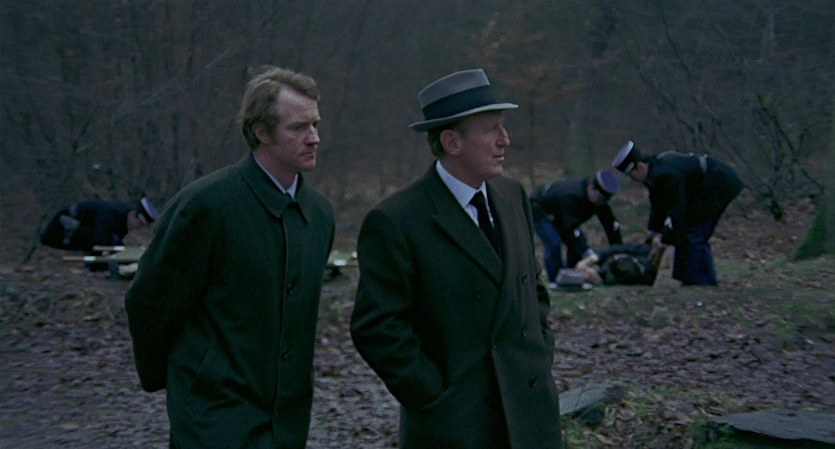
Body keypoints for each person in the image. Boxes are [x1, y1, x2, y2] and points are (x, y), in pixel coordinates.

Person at [124, 66, 335, 448]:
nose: (314, 138)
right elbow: (152, 302)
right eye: (298, 127)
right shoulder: (206, 206)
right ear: (261, 132)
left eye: (315, 124)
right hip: (213, 417)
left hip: (287, 421)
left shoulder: (318, 215)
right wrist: (186, 383)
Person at [350, 69, 562, 449]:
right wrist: (434, 396)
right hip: (456, 428)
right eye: (492, 129)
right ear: (452, 142)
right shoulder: (397, 219)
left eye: (503, 126)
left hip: (531, 418)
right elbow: (377, 328)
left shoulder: (512, 196)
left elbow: (532, 291)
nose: (505, 140)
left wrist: (538, 357)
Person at [612, 140, 742, 285]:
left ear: (640, 166)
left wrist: (663, 242)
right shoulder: (655, 173)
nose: (633, 180)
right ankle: (687, 278)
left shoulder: (666, 174)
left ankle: (703, 281)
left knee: (695, 233)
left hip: (718, 185)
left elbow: (677, 210)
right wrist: (653, 231)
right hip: (704, 190)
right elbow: (658, 205)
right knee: (685, 230)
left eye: (632, 175)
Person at [530, 170, 623, 287]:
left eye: (604, 200)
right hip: (541, 211)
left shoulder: (599, 201)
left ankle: (572, 274)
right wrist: (587, 253)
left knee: (578, 240)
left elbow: (611, 225)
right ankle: (556, 280)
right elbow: (568, 229)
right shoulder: (571, 196)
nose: (600, 204)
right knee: (554, 243)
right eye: (600, 198)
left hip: (561, 215)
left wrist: (618, 250)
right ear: (591, 188)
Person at [40, 197, 159, 251]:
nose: (138, 227)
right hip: (61, 228)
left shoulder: (122, 219)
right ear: (133, 215)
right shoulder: (111, 213)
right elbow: (101, 239)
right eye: (139, 223)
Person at [574, 242, 664, 286]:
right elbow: (616, 249)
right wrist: (593, 259)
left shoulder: (644, 275)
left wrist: (598, 279)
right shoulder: (644, 252)